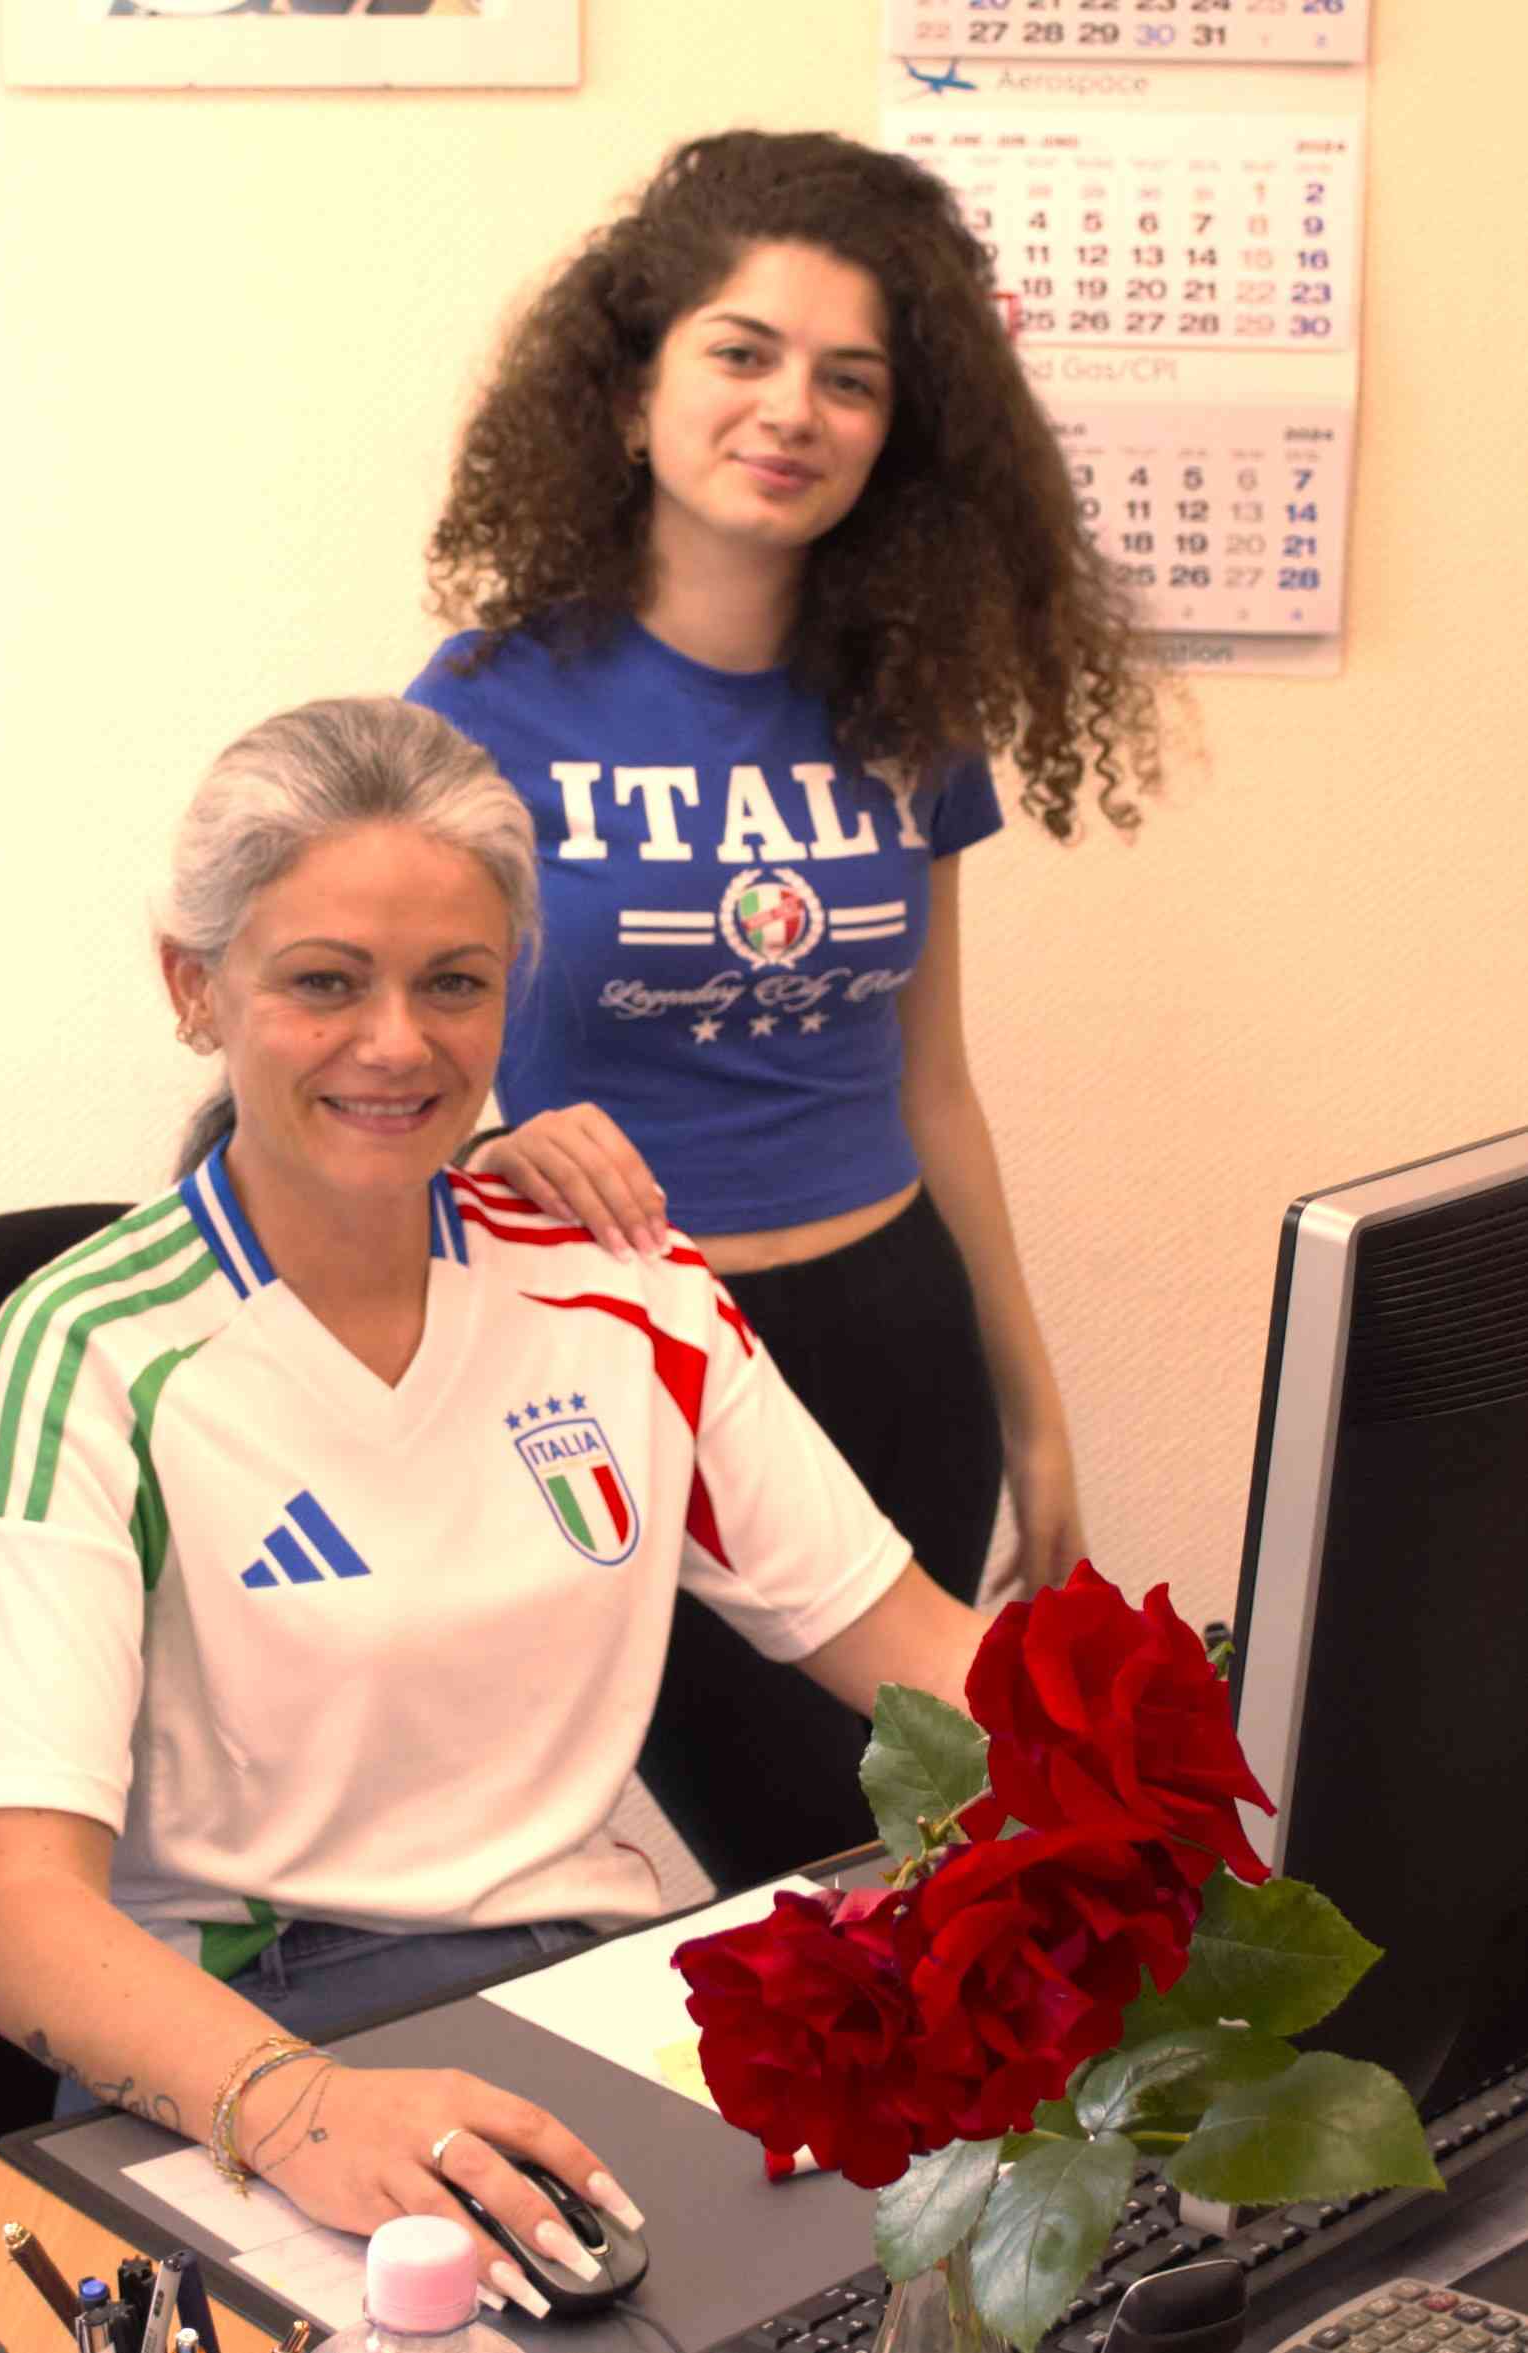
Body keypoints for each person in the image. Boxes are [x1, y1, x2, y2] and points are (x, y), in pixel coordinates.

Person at [0, 696, 985, 2293]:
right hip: (251, 2039)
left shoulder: (627, 1290)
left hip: (600, 1988)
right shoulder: (83, 1353)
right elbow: (21, 1915)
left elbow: (919, 1645)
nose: (398, 1043)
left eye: (454, 984)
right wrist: (301, 2105)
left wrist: (1184, 1788)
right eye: (325, 981)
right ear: (195, 987)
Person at [406, 129, 1165, 1888]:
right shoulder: (483, 709)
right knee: (773, 1872)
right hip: (625, 1359)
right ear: (630, 393)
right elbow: (388, 1059)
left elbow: (939, 1084)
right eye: (741, 354)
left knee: (914, 1862)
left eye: (851, 379)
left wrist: (1036, 1405)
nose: (791, 410)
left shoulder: (906, 709)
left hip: (893, 1342)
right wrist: (499, 1130)